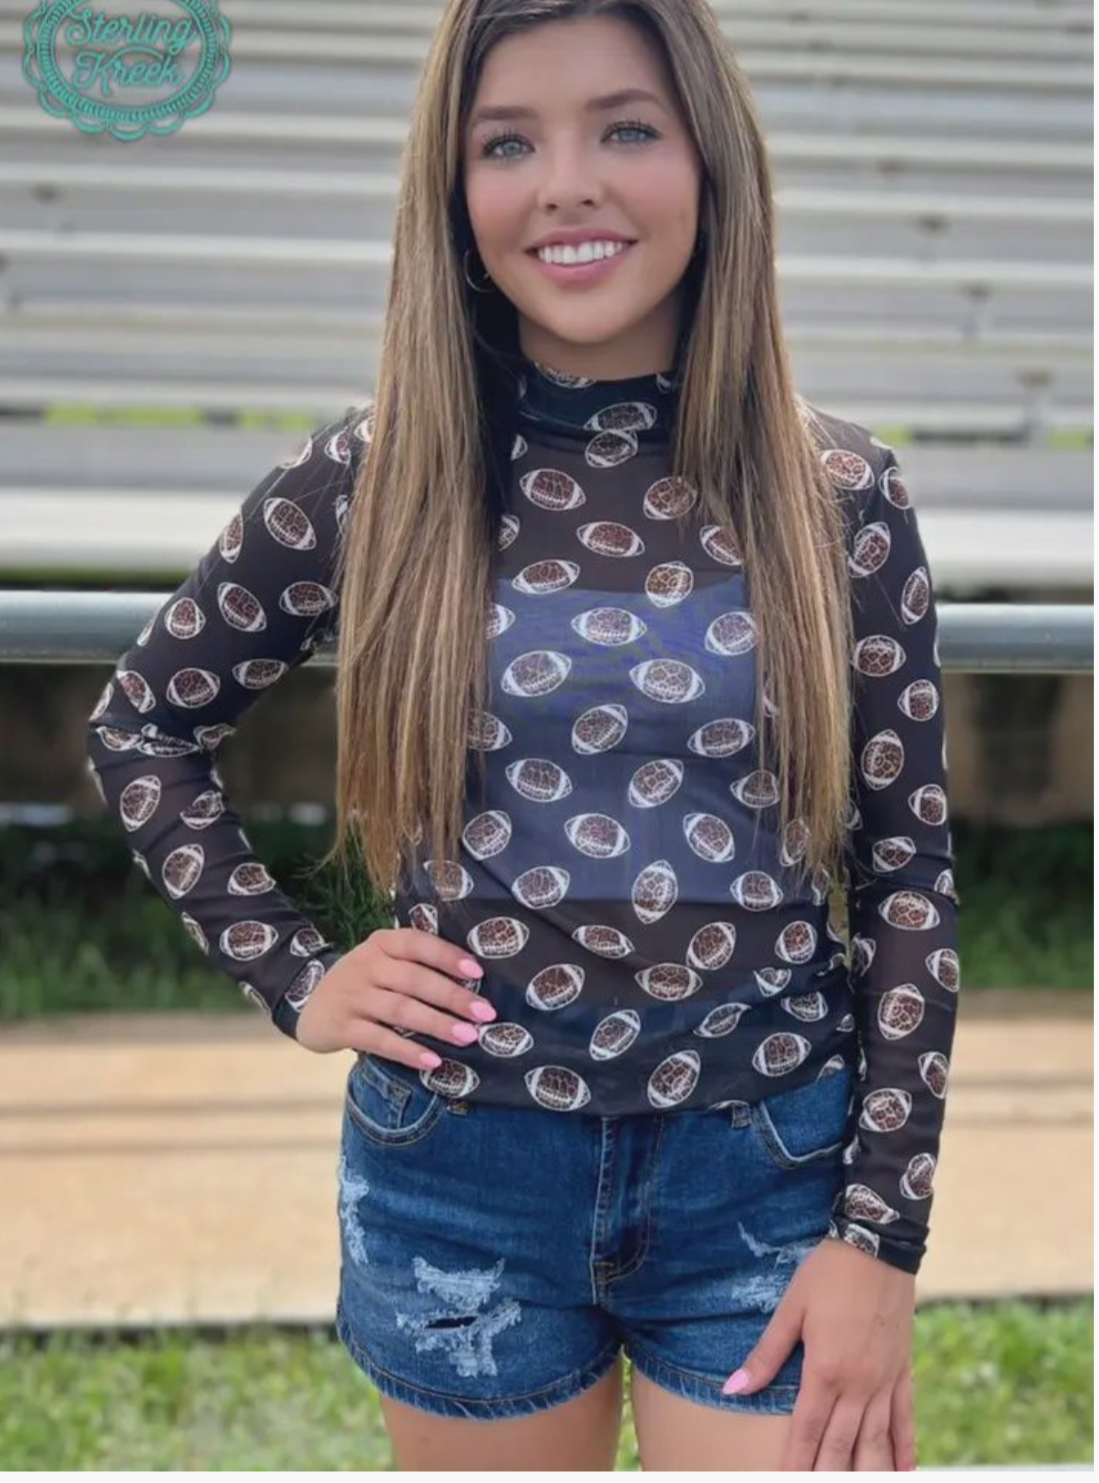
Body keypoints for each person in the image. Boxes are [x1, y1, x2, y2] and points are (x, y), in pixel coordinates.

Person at [86, 0, 961, 1470]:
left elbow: (908, 879)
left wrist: (882, 1236)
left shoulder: (838, 493)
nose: (566, 183)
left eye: (626, 128)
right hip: (460, 1173)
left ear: (712, 159)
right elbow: (144, 727)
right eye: (507, 143)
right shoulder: (374, 474)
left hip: (766, 1167)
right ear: (453, 188)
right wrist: (298, 975)